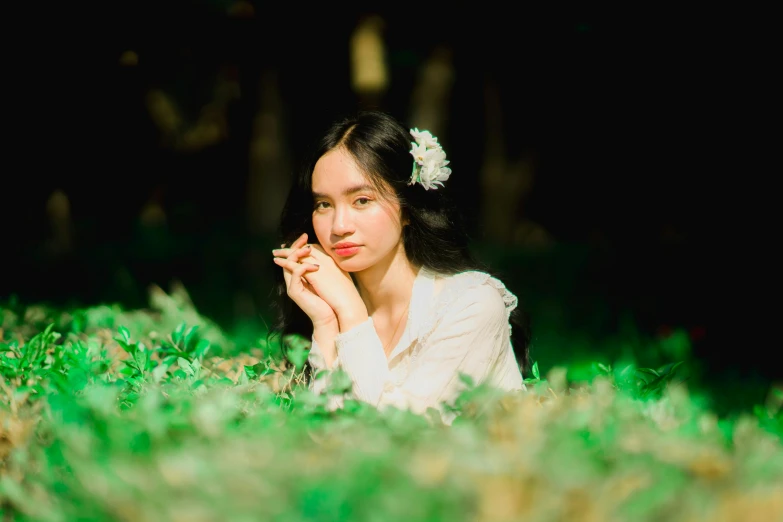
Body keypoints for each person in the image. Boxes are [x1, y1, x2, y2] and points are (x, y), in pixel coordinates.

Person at [271, 110, 530, 424]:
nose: (339, 226)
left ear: (408, 208)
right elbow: (322, 431)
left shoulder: (470, 304)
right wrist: (326, 322)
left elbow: (399, 431)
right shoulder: (331, 311)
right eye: (323, 205)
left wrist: (350, 311)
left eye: (362, 200)